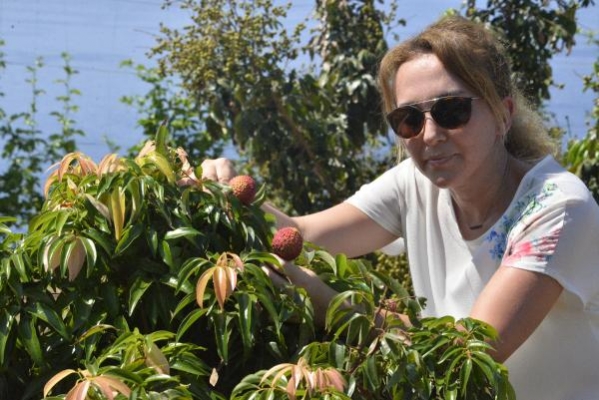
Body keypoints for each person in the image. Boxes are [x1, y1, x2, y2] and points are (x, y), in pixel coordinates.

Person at [201, 15, 599, 400]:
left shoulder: (557, 206)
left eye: (452, 110)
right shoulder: (415, 182)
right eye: (408, 119)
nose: (430, 134)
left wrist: (340, 310)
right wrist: (227, 195)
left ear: (503, 113)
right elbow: (300, 237)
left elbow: (466, 356)